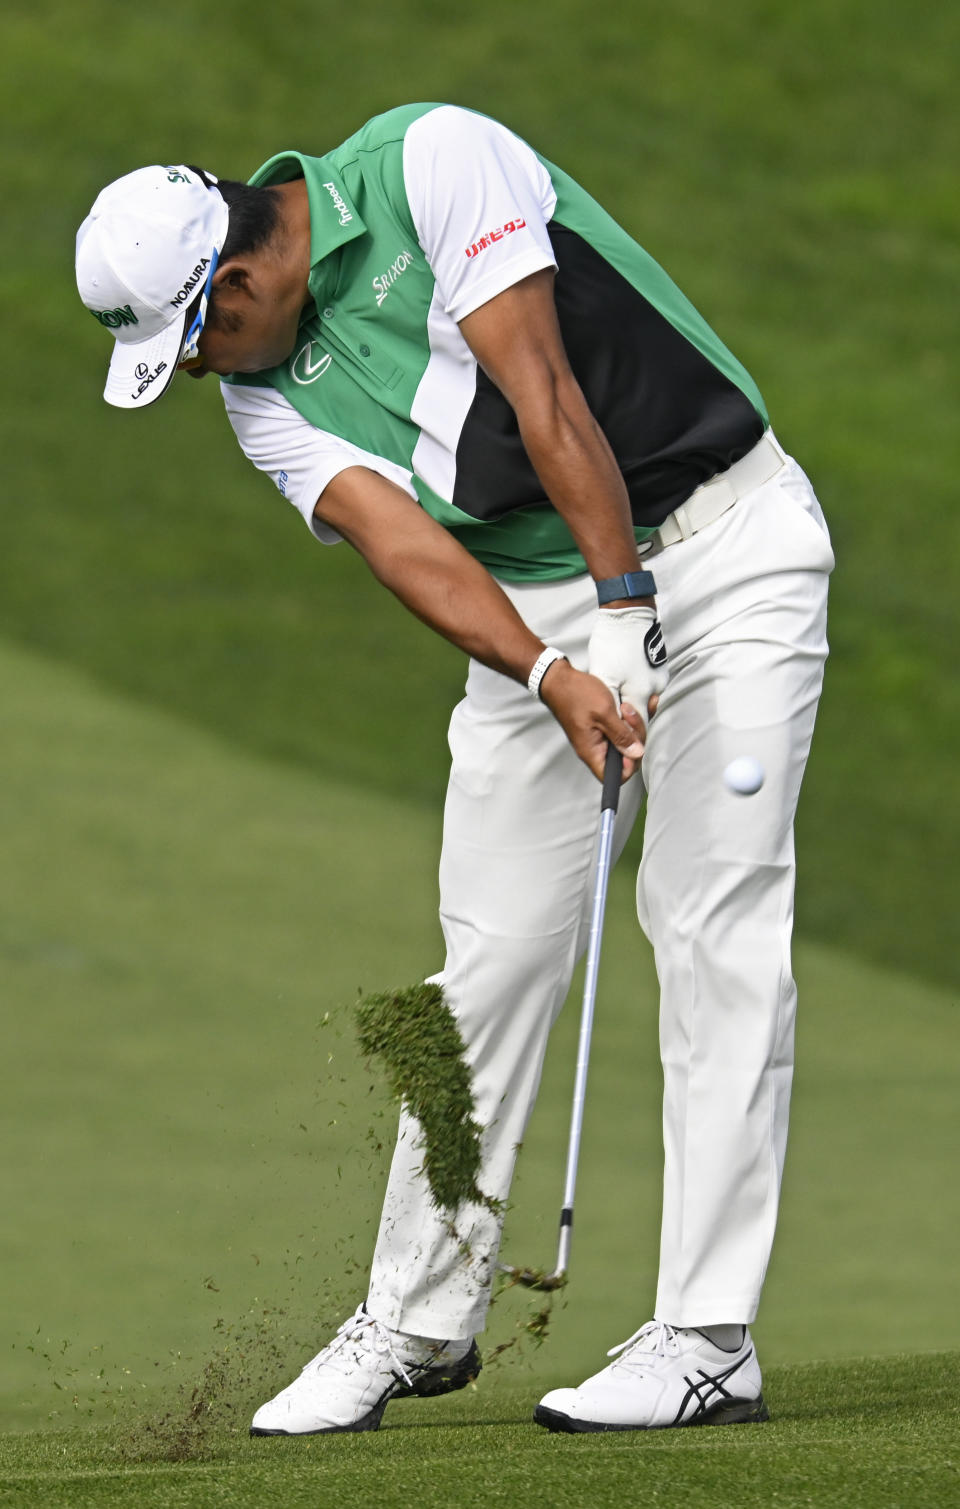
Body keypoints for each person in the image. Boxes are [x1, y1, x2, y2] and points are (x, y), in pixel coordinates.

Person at [75, 103, 833, 1436]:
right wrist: (554, 672)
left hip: (728, 545)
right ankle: (417, 1317)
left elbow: (540, 387)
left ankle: (708, 1332)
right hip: (542, 608)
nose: (198, 372)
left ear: (237, 282)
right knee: (488, 959)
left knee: (711, 920)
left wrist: (624, 608)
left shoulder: (429, 159)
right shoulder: (262, 396)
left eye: (192, 341)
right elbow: (404, 546)